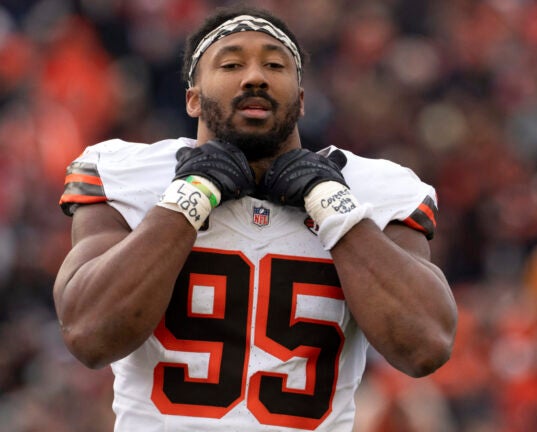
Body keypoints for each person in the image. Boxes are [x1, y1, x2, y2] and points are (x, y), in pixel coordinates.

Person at [53, 5, 457, 431]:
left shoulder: (369, 190)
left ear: (301, 100)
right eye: (230, 63)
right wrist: (188, 199)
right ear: (192, 96)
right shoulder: (131, 176)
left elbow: (426, 346)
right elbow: (88, 335)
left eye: (275, 64)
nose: (254, 77)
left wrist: (334, 208)